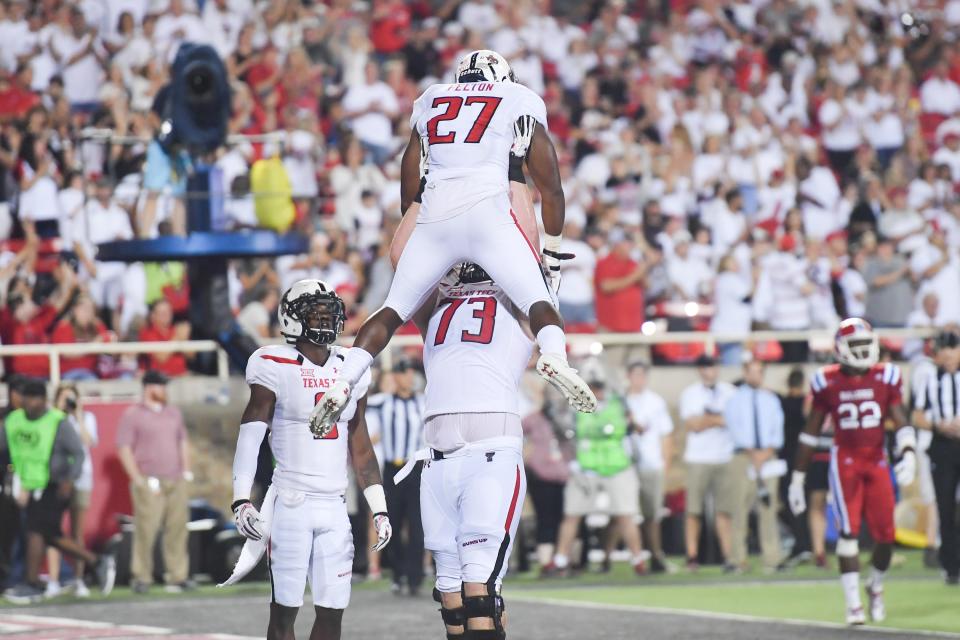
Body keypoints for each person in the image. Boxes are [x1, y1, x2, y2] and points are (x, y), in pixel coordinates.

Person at [309, 50, 597, 441]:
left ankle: (344, 379)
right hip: (488, 216)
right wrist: (554, 253)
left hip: (436, 217)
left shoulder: (430, 97)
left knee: (392, 309)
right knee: (539, 299)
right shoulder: (518, 97)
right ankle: (555, 355)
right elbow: (551, 186)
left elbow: (409, 184)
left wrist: (419, 211)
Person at [226, 280, 392, 640]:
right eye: (315, 312)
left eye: (329, 311)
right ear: (291, 319)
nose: (325, 319)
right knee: (284, 613)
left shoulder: (350, 366)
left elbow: (360, 446)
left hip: (334, 505)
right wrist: (241, 499)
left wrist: (378, 507)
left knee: (333, 615)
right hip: (291, 503)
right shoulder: (273, 362)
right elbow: (250, 435)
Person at [789, 318, 916, 625]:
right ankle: (853, 604)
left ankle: (874, 583)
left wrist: (909, 452)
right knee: (848, 533)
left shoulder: (886, 376)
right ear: (840, 350)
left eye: (865, 344)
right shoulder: (826, 380)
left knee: (886, 536)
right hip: (844, 460)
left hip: (877, 460)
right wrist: (797, 477)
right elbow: (810, 432)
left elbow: (900, 418)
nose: (862, 352)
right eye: (855, 345)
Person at [1, 379, 114, 603]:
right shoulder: (13, 421)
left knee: (36, 530)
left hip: (55, 484)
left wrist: (69, 479)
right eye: (27, 398)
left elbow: (78, 453)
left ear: (44, 400)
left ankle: (32, 583)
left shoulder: (57, 421)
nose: (31, 403)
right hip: (29, 484)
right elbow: (5, 450)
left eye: (35, 398)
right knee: (48, 534)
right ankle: (96, 561)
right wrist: (14, 477)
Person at [544, 374, 646, 577]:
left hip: (616, 465)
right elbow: (563, 430)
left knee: (626, 514)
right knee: (572, 514)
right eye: (592, 387)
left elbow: (631, 428)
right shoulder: (573, 405)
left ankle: (638, 559)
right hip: (585, 466)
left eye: (599, 387)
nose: (596, 392)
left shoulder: (618, 404)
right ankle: (561, 559)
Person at [116, 370, 194, 594]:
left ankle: (178, 575)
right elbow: (124, 448)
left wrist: (186, 470)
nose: (165, 390)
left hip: (175, 478)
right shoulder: (133, 414)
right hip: (150, 480)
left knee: (177, 529)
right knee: (146, 530)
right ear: (150, 387)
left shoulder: (173, 413)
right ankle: (142, 576)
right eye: (161, 386)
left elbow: (182, 442)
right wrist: (138, 479)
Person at [368, 359, 426, 597]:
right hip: (393, 469)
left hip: (416, 468)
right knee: (391, 522)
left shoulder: (423, 402)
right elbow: (358, 402)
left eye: (410, 372)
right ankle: (398, 573)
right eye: (403, 373)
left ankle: (415, 577)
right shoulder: (383, 402)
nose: (408, 378)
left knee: (417, 525)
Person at [724, 359, 785, 572]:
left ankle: (772, 558)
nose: (755, 376)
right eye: (752, 372)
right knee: (740, 508)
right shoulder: (735, 400)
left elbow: (777, 430)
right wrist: (752, 452)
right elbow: (735, 429)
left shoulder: (771, 400)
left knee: (768, 509)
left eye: (759, 372)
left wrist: (766, 452)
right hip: (743, 457)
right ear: (745, 373)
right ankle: (738, 559)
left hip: (768, 458)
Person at [912, 329, 960, 585]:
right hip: (942, 446)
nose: (949, 356)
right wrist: (939, 425)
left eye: (953, 349)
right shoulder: (930, 379)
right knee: (945, 506)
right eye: (944, 351)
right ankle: (951, 565)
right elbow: (917, 415)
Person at [679, 355, 736, 571]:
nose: (707, 371)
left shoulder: (730, 391)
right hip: (698, 458)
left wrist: (707, 420)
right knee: (693, 510)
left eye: (710, 366)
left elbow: (734, 420)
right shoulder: (690, 393)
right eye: (703, 367)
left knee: (725, 511)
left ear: (717, 369)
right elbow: (693, 425)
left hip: (724, 456)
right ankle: (692, 556)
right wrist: (719, 420)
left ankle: (728, 557)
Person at [45, 383, 98, 598]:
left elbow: (89, 442)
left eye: (71, 398)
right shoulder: (51, 419)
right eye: (64, 398)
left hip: (81, 478)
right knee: (52, 531)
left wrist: (76, 414)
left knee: (77, 532)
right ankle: (53, 580)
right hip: (56, 479)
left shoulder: (86, 418)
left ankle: (79, 579)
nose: (67, 403)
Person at [624, 361, 674, 572]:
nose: (639, 380)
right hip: (624, 464)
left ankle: (655, 554)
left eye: (643, 375)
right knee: (623, 512)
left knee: (652, 513)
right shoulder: (621, 401)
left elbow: (666, 434)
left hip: (651, 462)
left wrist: (666, 462)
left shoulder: (655, 402)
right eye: (636, 375)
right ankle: (613, 557)